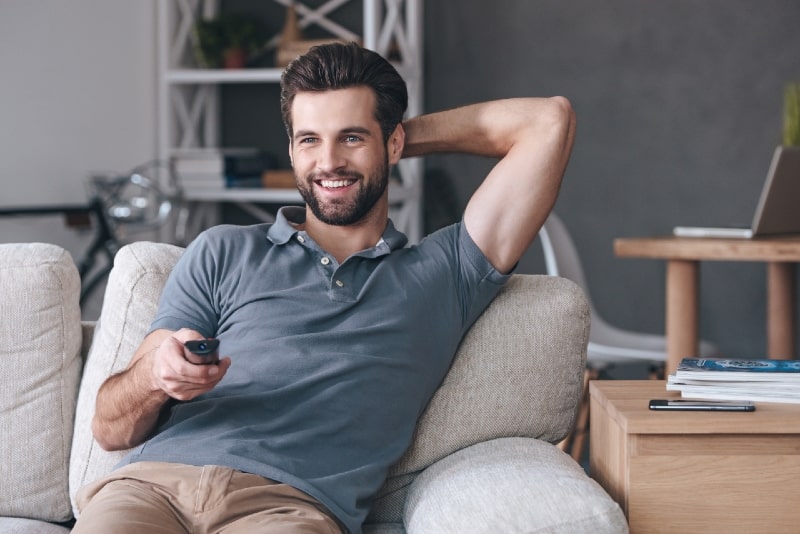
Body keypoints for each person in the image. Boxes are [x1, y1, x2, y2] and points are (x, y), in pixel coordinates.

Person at [73, 42, 575, 534]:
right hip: (150, 490)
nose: (328, 161)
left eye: (351, 138)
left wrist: (390, 139)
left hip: (286, 509)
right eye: (309, 140)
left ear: (394, 143)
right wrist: (155, 379)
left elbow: (547, 122)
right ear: (291, 149)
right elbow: (110, 429)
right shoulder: (223, 251)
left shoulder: (444, 272)